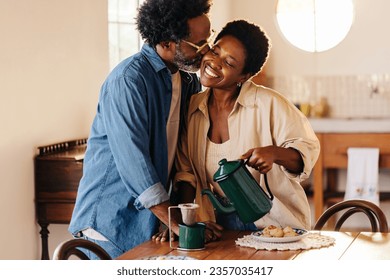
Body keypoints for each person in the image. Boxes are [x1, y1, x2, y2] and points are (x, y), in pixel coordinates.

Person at [68, 0, 215, 259]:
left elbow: (182, 153)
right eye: (198, 45)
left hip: (149, 220)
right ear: (168, 42)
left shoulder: (188, 80)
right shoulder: (129, 80)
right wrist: (176, 223)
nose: (207, 51)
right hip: (110, 224)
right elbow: (133, 162)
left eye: (208, 40)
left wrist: (179, 217)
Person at [174, 20, 320, 235]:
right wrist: (186, 222)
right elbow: (186, 173)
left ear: (244, 76)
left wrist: (275, 153)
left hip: (272, 224)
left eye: (229, 62)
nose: (214, 62)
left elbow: (307, 152)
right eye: (215, 50)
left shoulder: (269, 103)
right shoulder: (192, 108)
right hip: (216, 223)